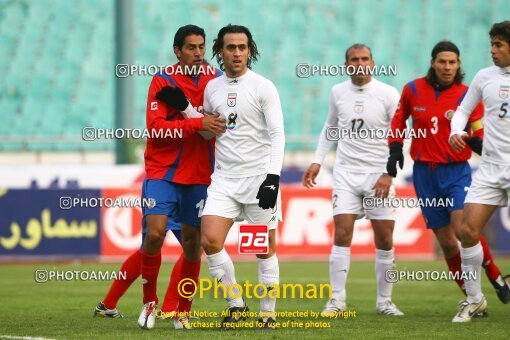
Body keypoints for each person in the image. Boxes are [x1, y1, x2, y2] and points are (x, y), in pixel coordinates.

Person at [387, 40, 509, 309]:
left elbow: (478, 132)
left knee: (463, 228)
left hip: (456, 172)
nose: (447, 66)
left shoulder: (468, 93)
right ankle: (473, 298)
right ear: (432, 63)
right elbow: (398, 120)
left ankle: (495, 277)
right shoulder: (412, 89)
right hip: (424, 175)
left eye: (452, 62)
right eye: (442, 61)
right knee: (447, 243)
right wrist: (395, 149)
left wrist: (471, 141)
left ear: (459, 65)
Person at [303, 44, 404, 316]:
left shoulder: (388, 94)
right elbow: (330, 127)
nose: (359, 63)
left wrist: (389, 173)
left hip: (378, 175)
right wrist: (317, 160)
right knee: (342, 232)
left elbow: (399, 134)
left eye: (364, 59)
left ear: (372, 62)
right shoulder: (337, 92)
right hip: (346, 174)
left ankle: (385, 302)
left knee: (384, 239)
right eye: (353, 60)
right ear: (346, 64)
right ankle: (337, 300)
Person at [137, 24, 226, 330]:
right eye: (191, 47)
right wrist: (197, 123)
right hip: (162, 171)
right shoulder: (162, 80)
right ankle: (149, 301)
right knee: (155, 233)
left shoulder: (216, 80)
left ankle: (182, 312)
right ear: (178, 50)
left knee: (192, 244)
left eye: (201, 47)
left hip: (201, 173)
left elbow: (222, 125)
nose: (198, 53)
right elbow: (156, 129)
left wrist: (196, 119)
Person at [200, 24, 285, 329]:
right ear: (220, 51)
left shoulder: (263, 86)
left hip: (259, 179)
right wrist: (189, 115)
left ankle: (268, 313)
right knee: (209, 240)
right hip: (224, 179)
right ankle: (236, 304)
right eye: (230, 47)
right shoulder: (212, 88)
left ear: (250, 50)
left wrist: (272, 178)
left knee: (262, 248)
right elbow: (207, 125)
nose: (237, 53)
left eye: (242, 47)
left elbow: (277, 134)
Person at [449, 21, 510, 322]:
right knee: (467, 231)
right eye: (492, 45)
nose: (493, 51)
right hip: (489, 169)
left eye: (499, 45)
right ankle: (475, 299)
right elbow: (462, 109)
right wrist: (455, 130)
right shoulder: (484, 76)